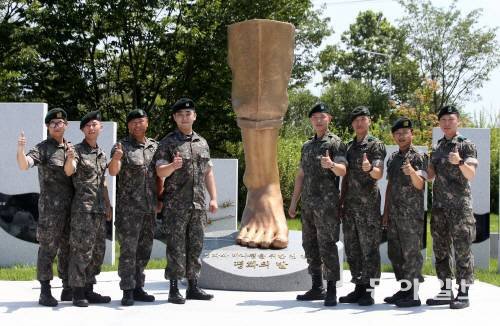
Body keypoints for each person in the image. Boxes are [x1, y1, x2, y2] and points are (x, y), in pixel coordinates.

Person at [155, 98, 218, 304]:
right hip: (176, 205)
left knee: (196, 245)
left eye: (188, 114)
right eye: (180, 114)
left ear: (194, 116)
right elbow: (159, 170)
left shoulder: (202, 143)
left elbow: (208, 172)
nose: (184, 117)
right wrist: (172, 166)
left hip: (198, 204)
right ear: (174, 118)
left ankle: (193, 286)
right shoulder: (168, 142)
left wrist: (214, 197)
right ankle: (174, 288)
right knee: (175, 246)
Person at [289, 103, 347, 307]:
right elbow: (301, 175)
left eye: (322, 116)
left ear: (329, 119)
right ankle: (316, 287)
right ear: (311, 121)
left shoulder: (336, 143)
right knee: (310, 245)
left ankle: (331, 288)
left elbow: (342, 170)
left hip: (327, 205)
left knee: (327, 245)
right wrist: (294, 202)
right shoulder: (306, 146)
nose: (318, 120)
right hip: (308, 205)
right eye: (315, 117)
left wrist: (331, 165)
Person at [16, 108, 73, 306]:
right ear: (48, 127)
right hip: (51, 210)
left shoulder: (71, 149)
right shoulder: (43, 148)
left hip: (71, 209)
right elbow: (25, 165)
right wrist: (21, 151)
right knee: (48, 249)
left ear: (66, 125)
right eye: (53, 124)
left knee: (68, 249)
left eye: (60, 122)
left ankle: (67, 288)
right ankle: (45, 291)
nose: (57, 126)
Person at [426, 105, 478, 309]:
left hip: (459, 208)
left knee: (462, 249)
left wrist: (459, 162)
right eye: (443, 120)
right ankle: (445, 290)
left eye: (450, 119)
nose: (446, 124)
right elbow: (431, 176)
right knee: (440, 250)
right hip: (439, 208)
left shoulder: (466, 145)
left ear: (458, 121)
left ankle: (463, 293)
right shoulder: (437, 147)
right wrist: (426, 167)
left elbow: (470, 174)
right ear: (439, 124)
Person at [109, 109, 158, 306]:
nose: (137, 125)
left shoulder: (155, 146)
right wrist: (116, 158)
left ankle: (139, 287)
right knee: (129, 250)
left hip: (149, 208)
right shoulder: (121, 146)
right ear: (128, 126)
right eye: (133, 122)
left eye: (141, 121)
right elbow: (113, 172)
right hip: (129, 209)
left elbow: (160, 176)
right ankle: (127, 289)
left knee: (144, 249)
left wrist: (160, 199)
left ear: (147, 123)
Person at [339, 106, 386, 306]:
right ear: (352, 124)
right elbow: (346, 177)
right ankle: (358, 287)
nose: (359, 123)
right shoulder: (349, 147)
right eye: (356, 120)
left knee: (369, 248)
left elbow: (379, 173)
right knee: (353, 248)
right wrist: (341, 201)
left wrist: (370, 169)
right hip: (350, 205)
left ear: (369, 121)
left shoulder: (375, 145)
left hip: (368, 207)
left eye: (363, 119)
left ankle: (369, 290)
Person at [64, 111, 112, 307]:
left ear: (101, 127)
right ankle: (77, 292)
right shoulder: (76, 151)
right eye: (87, 125)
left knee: (98, 251)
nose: (91, 128)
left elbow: (104, 182)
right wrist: (69, 158)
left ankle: (89, 289)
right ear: (83, 129)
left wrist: (108, 204)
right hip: (83, 209)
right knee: (81, 250)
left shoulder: (101, 154)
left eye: (95, 124)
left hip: (100, 210)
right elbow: (69, 170)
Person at [383, 117, 427, 307]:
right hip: (393, 215)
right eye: (398, 133)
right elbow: (390, 186)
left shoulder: (419, 157)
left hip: (411, 216)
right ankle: (404, 290)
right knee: (395, 253)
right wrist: (385, 213)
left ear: (412, 134)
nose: (401, 136)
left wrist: (412, 172)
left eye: (405, 133)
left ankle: (414, 295)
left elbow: (421, 185)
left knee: (411, 254)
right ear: (394, 136)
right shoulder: (393, 158)